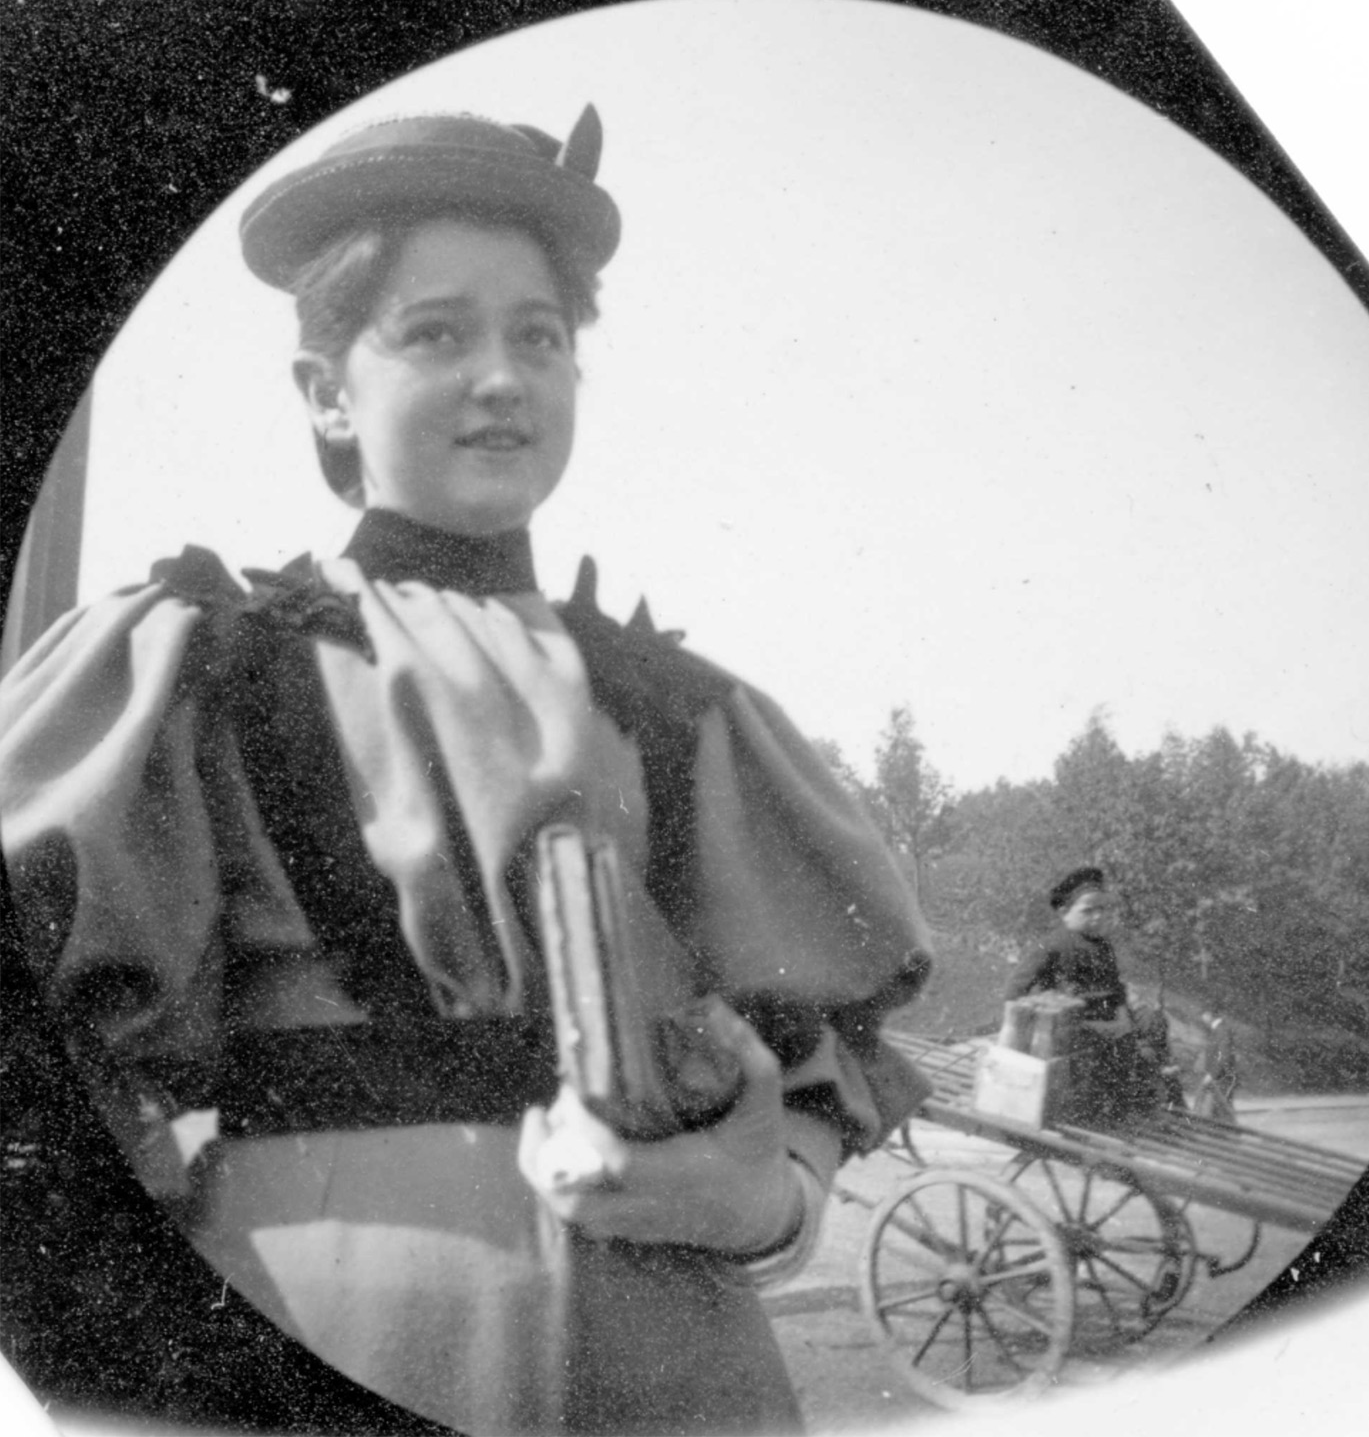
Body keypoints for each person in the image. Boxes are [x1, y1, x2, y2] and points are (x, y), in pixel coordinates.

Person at [0, 108, 932, 1436]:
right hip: (310, 1322)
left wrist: (757, 1201)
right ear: (327, 389)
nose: (502, 376)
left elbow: (816, 1060)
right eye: (435, 333)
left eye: (538, 338)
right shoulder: (197, 668)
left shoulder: (686, 712)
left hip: (666, 1355)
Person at [1003, 867, 1167, 1120]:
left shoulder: (1104, 947)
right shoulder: (1054, 944)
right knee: (1097, 1059)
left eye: (1102, 910)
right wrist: (1020, 1025)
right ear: (1064, 912)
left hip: (1107, 1024)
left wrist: (1125, 1021)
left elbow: (1115, 990)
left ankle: (1133, 1111)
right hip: (1071, 1026)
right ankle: (1097, 1113)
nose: (1097, 917)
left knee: (1143, 1050)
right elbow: (1016, 987)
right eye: (1088, 911)